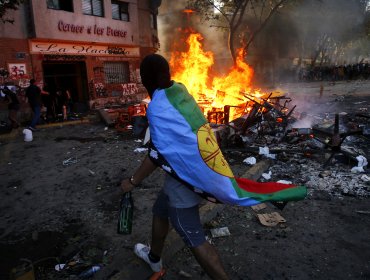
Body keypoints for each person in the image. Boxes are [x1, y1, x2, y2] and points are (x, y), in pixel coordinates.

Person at [120, 54, 229, 279]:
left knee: (194, 238)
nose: (142, 81)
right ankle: (154, 259)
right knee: (160, 212)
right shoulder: (179, 90)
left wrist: (132, 182)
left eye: (143, 77)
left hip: (186, 179)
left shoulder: (158, 106)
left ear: (148, 79)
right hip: (192, 170)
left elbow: (157, 155)